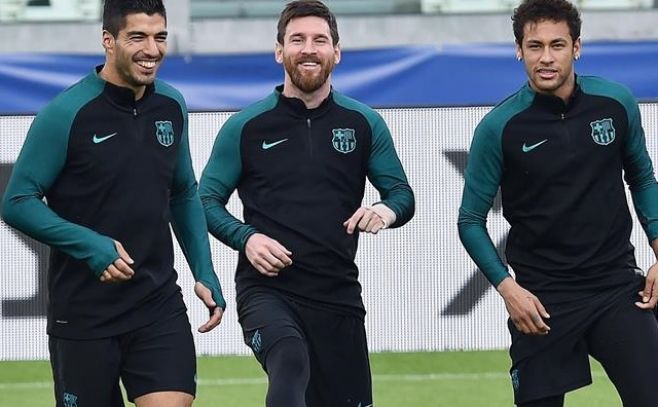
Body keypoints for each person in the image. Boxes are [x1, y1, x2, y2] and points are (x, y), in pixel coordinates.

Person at [1, 1, 225, 406]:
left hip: (157, 303)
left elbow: (183, 192)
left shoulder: (171, 105)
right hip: (83, 316)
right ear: (109, 40)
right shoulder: (66, 113)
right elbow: (17, 201)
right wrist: (91, 245)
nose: (152, 49)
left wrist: (204, 270)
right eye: (137, 37)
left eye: (159, 37)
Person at [199, 1, 414, 406]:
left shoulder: (363, 122)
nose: (309, 49)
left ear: (337, 51)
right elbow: (205, 200)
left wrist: (383, 211)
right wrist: (247, 239)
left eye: (320, 40)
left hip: (339, 294)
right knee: (290, 360)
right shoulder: (245, 127)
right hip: (267, 292)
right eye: (297, 39)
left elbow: (401, 195)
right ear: (279, 51)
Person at [458, 0, 658, 406]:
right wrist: (508, 288)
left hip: (616, 287)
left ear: (577, 47)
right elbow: (470, 221)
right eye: (534, 46)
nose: (546, 58)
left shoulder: (615, 103)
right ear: (519, 50)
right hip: (542, 302)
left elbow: (642, 178)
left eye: (557, 45)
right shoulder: (499, 127)